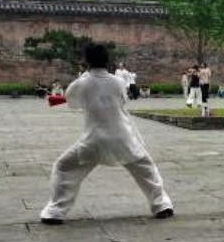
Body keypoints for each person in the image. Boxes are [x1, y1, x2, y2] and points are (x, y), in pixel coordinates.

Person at [39, 44, 174, 224]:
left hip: (93, 139)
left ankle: (55, 212)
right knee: (146, 169)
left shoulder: (82, 83)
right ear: (107, 61)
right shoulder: (118, 81)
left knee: (64, 167)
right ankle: (161, 205)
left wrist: (85, 78)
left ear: (86, 61)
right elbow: (123, 100)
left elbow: (72, 103)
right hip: (122, 136)